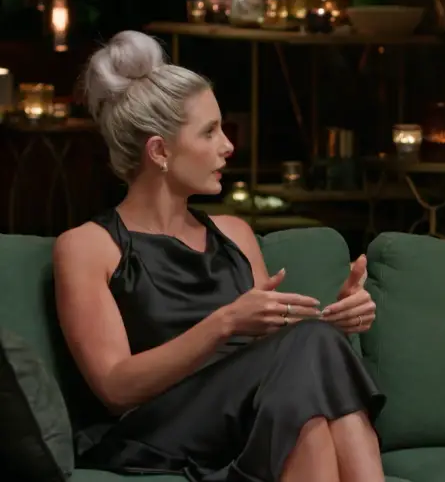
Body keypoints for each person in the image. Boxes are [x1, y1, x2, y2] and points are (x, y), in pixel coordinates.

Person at [52, 30, 386, 482]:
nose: (228, 145)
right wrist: (225, 322)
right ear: (159, 151)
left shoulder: (234, 234)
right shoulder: (87, 246)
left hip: (246, 416)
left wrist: (335, 321)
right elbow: (115, 388)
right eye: (209, 132)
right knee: (306, 370)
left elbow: (275, 359)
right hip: (156, 430)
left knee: (308, 410)